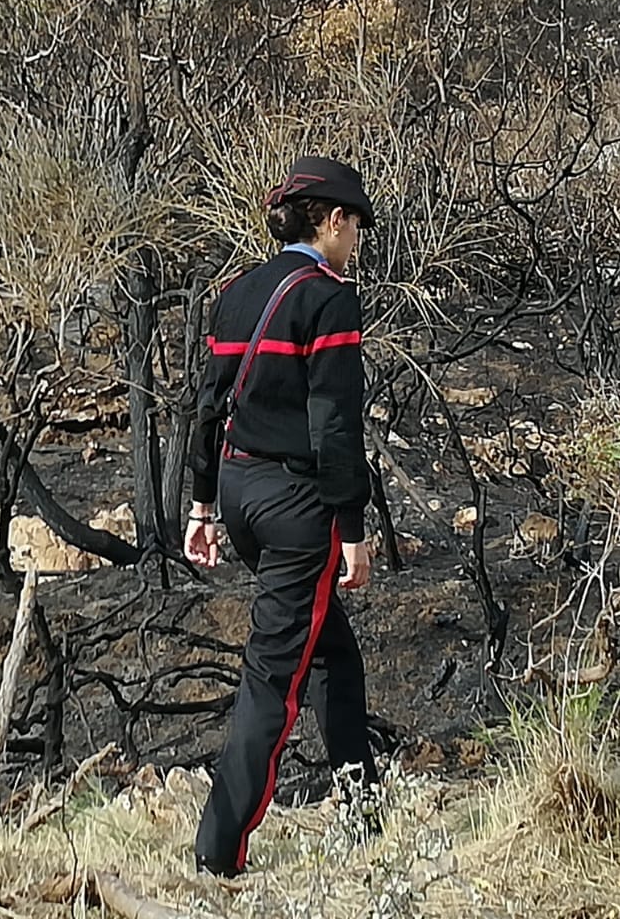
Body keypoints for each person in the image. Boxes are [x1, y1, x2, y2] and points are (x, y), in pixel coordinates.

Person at [185, 154, 381, 878]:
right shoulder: (329, 297)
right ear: (331, 221)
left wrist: (201, 504)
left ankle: (365, 818)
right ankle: (218, 857)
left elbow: (207, 407)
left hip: (239, 497)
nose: (356, 240)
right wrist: (353, 530)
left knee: (333, 656)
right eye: (354, 226)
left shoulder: (237, 292)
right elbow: (335, 428)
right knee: (275, 677)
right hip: (300, 508)